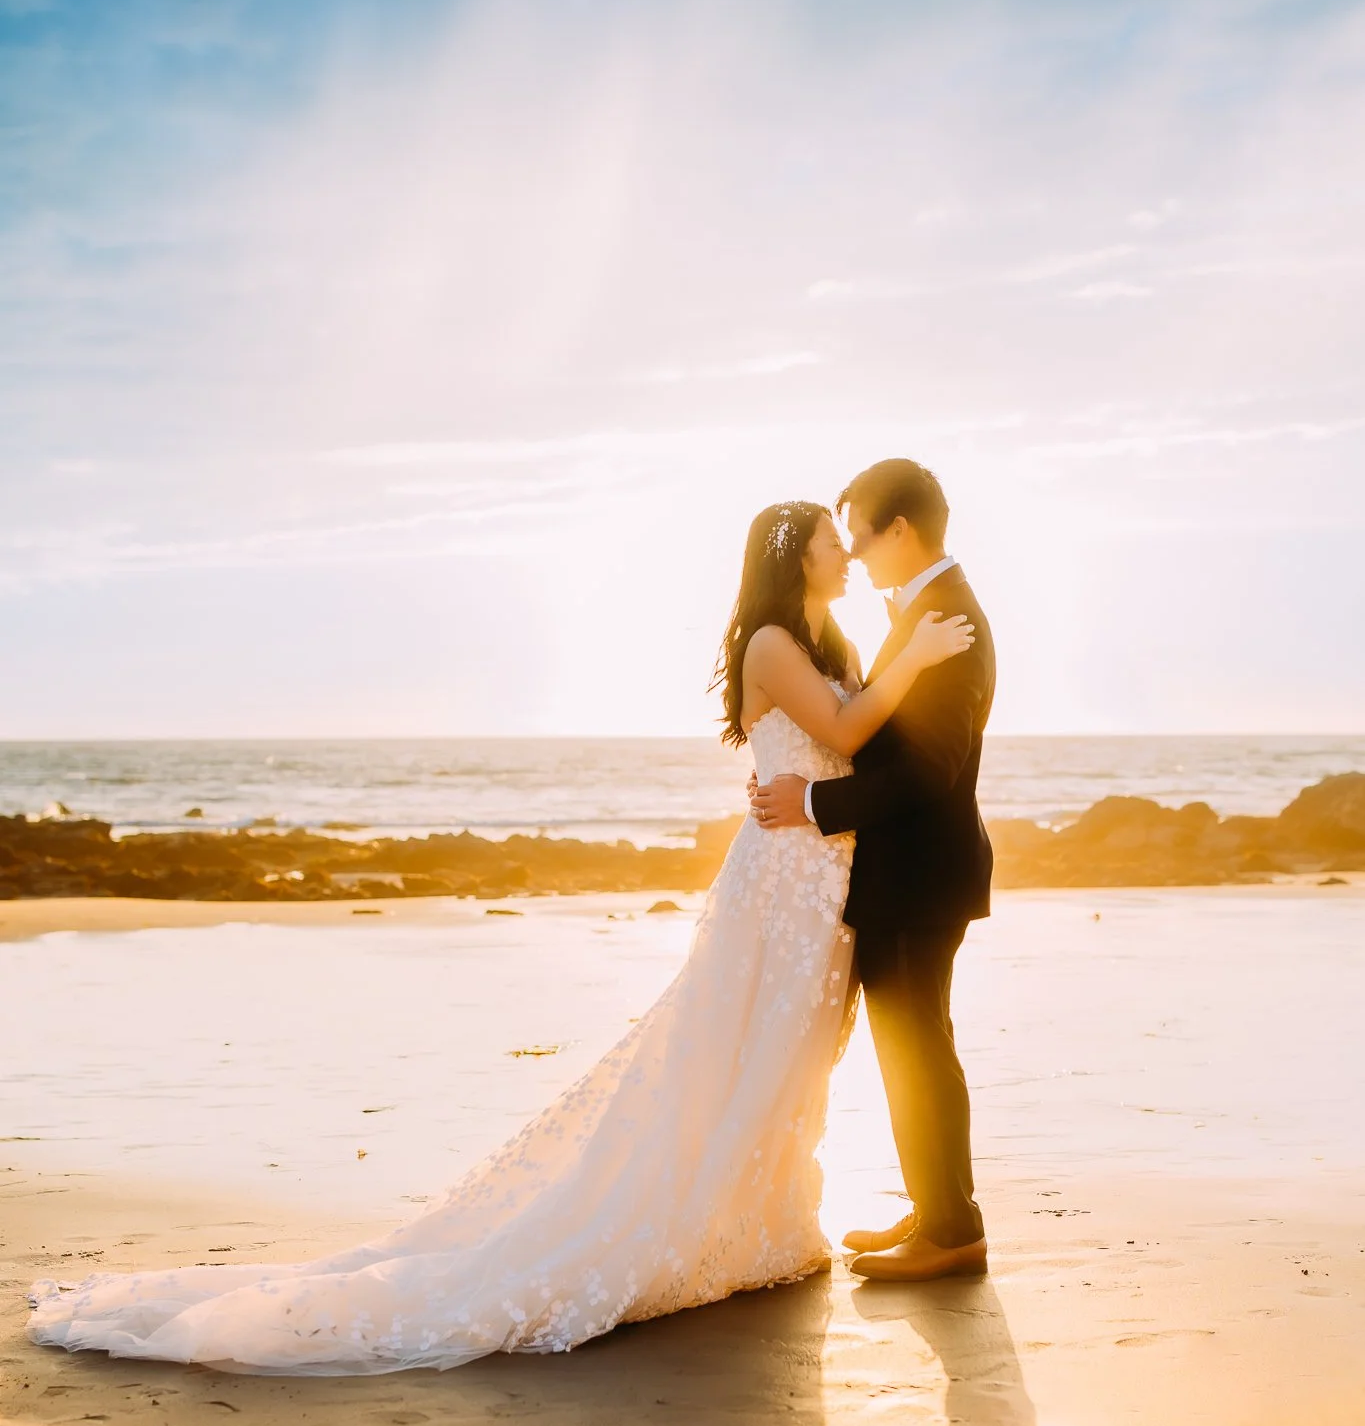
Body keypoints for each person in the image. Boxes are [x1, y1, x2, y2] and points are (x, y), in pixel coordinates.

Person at [28, 500, 970, 1376]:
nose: (846, 553)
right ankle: (705, 1224)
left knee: (792, 1050)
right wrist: (915, 659)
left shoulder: (832, 638)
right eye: (831, 543)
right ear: (793, 558)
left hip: (820, 875)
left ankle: (767, 1220)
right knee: (740, 1042)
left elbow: (849, 744)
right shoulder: (771, 641)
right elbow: (845, 725)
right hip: (780, 881)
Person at [753, 459, 995, 1282]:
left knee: (917, 1047)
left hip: (920, 874)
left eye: (858, 533)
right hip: (909, 872)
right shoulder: (925, 613)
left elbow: (927, 770)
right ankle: (938, 1211)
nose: (852, 551)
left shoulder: (946, 617)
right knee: (913, 1045)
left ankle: (950, 1233)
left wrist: (813, 802)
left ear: (899, 529)